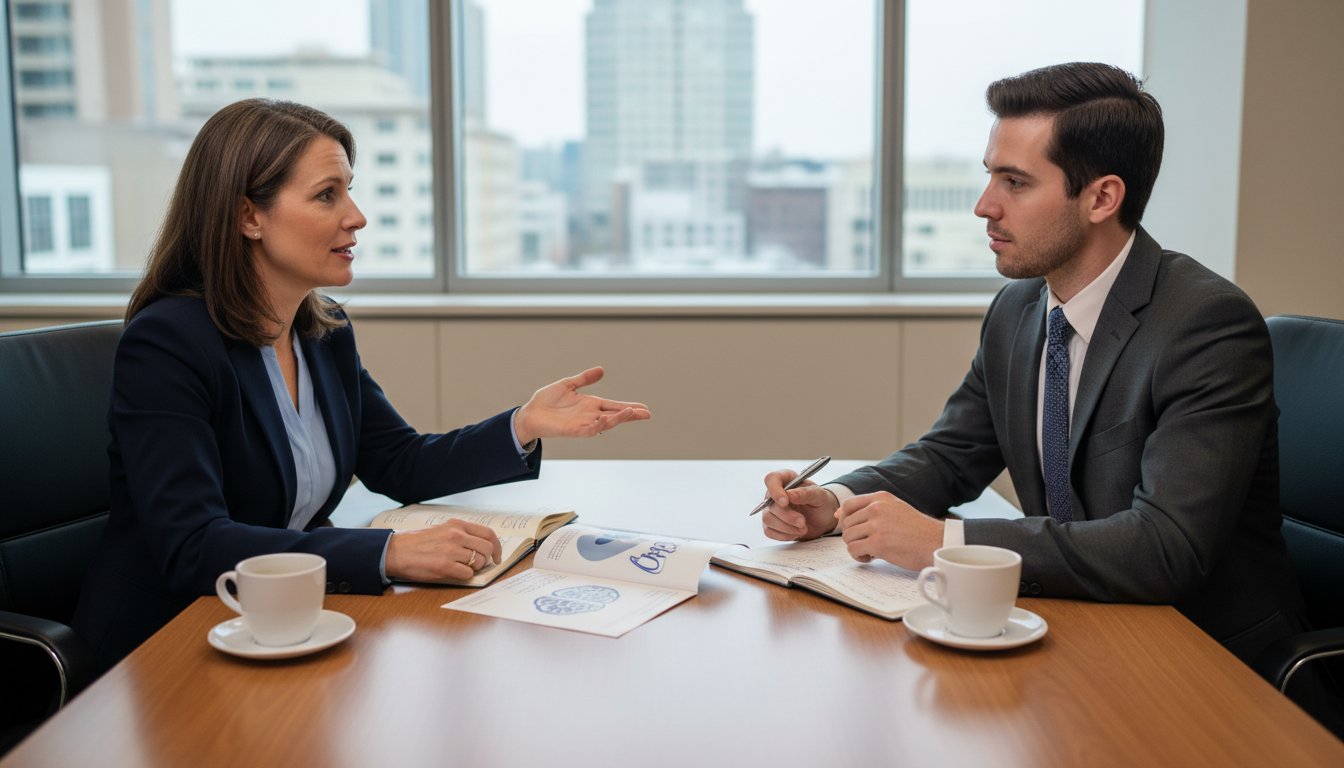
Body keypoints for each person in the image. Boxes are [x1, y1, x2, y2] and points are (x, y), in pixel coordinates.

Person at [761, 63, 1318, 674]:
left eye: (1015, 182)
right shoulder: (1020, 306)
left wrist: (946, 543)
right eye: (989, 176)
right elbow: (951, 455)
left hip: (1204, 661)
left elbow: (1167, 547)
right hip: (1078, 628)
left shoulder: (1206, 324)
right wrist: (837, 503)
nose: (983, 206)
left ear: (1102, 197)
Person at [72, 99, 650, 669]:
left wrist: (522, 425)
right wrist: (390, 552)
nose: (356, 215)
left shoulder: (322, 329)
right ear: (249, 215)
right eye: (328, 194)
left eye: (349, 189)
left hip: (285, 625)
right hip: (168, 646)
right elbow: (193, 544)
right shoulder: (168, 343)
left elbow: (398, 461)